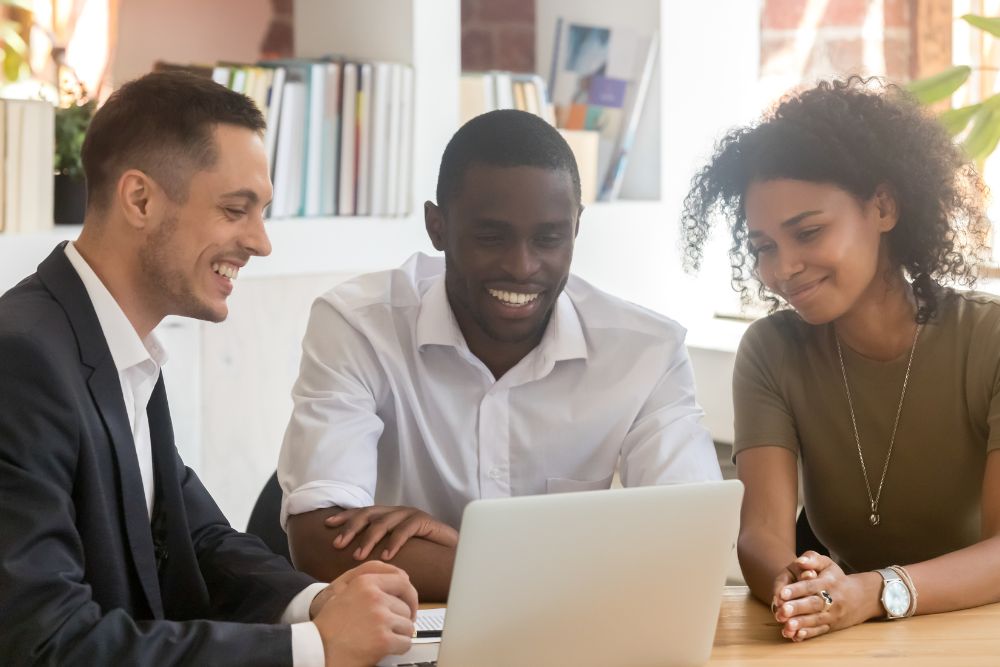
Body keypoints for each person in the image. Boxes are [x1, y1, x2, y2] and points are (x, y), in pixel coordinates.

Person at [0, 71, 417, 667]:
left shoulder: (116, 344)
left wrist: (321, 602)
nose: (260, 242)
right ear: (140, 199)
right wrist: (310, 650)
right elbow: (44, 643)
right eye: (234, 210)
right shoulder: (21, 361)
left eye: (261, 212)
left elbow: (194, 540)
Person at [279, 109, 722, 600]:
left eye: (549, 238)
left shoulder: (646, 352)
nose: (522, 266)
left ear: (576, 227)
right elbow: (320, 541)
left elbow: (692, 542)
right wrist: (567, 572)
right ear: (437, 227)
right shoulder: (359, 325)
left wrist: (465, 554)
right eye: (491, 238)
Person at [680, 77, 1000, 641]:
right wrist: (799, 588)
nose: (783, 269)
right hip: (849, 636)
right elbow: (760, 534)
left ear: (883, 207)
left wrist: (873, 591)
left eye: (808, 232)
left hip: (977, 630)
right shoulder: (771, 352)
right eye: (764, 247)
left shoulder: (988, 339)